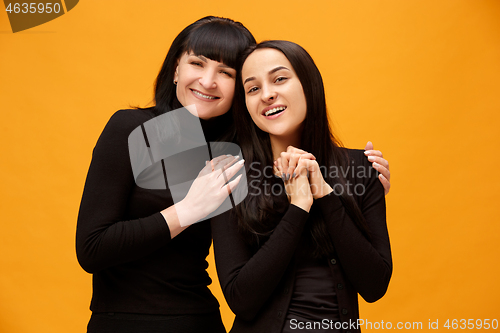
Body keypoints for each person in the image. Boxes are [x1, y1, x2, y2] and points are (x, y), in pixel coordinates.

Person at [76, 16, 391, 332]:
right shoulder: (134, 130)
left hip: (199, 320)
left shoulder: (233, 153)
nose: (208, 81)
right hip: (124, 321)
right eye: (197, 63)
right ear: (175, 68)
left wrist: (357, 184)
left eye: (225, 73)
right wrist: (188, 210)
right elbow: (91, 249)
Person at [211, 40, 392, 333]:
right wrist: (298, 206)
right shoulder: (229, 176)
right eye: (253, 88)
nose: (267, 95)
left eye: (279, 79)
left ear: (309, 84)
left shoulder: (362, 168)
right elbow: (240, 298)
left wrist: (324, 194)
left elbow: (375, 285)